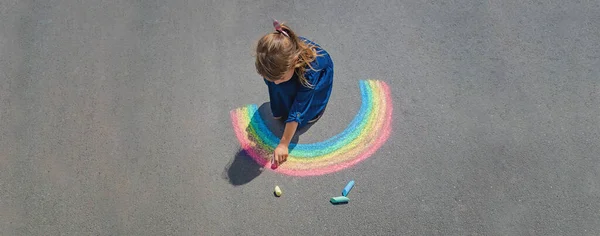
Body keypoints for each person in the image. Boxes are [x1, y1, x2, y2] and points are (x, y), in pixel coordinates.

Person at [254, 19, 334, 166]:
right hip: (291, 70)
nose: (276, 82)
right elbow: (276, 79)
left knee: (303, 107)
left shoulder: (311, 72)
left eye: (281, 77)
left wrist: (284, 144)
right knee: (280, 86)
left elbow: (299, 106)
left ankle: (316, 110)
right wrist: (276, 80)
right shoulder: (274, 61)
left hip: (314, 78)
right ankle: (282, 102)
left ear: (295, 61)